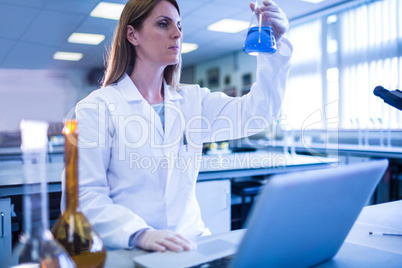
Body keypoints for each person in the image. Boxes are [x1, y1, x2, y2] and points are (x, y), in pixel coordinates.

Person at [72, 0, 292, 253]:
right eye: (163, 24)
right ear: (132, 34)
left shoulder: (193, 100)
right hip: (130, 247)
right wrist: (139, 234)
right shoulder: (97, 107)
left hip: (191, 243)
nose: (177, 33)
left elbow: (258, 114)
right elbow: (86, 196)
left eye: (178, 25)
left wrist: (275, 46)